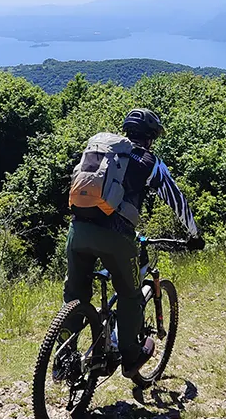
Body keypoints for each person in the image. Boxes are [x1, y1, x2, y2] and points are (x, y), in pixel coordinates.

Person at [64, 108, 203, 377]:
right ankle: (130, 356)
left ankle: (64, 356)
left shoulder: (104, 150)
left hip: (78, 230)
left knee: (75, 295)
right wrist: (194, 234)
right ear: (150, 137)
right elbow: (176, 199)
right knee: (130, 293)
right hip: (116, 236)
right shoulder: (148, 160)